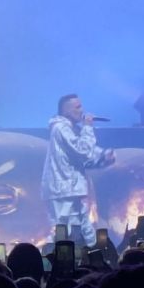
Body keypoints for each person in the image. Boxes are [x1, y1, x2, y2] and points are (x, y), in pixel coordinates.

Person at [41, 93, 115, 246]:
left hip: (71, 189)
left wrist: (103, 157)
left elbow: (83, 158)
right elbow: (82, 150)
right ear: (66, 111)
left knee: (83, 228)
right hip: (63, 189)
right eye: (77, 107)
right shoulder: (61, 128)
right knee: (64, 230)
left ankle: (92, 255)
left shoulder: (72, 129)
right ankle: (59, 257)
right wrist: (88, 127)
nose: (82, 111)